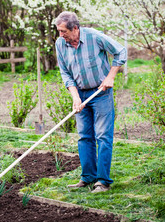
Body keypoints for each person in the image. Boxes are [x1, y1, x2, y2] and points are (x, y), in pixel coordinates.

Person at [54, 11, 127, 193]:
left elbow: (120, 51)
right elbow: (65, 72)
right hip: (80, 94)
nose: (61, 35)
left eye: (64, 31)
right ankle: (87, 178)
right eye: (59, 31)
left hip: (101, 93)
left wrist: (111, 76)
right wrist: (75, 96)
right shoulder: (60, 44)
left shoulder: (94, 37)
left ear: (75, 28)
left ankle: (102, 181)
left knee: (102, 136)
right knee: (84, 137)